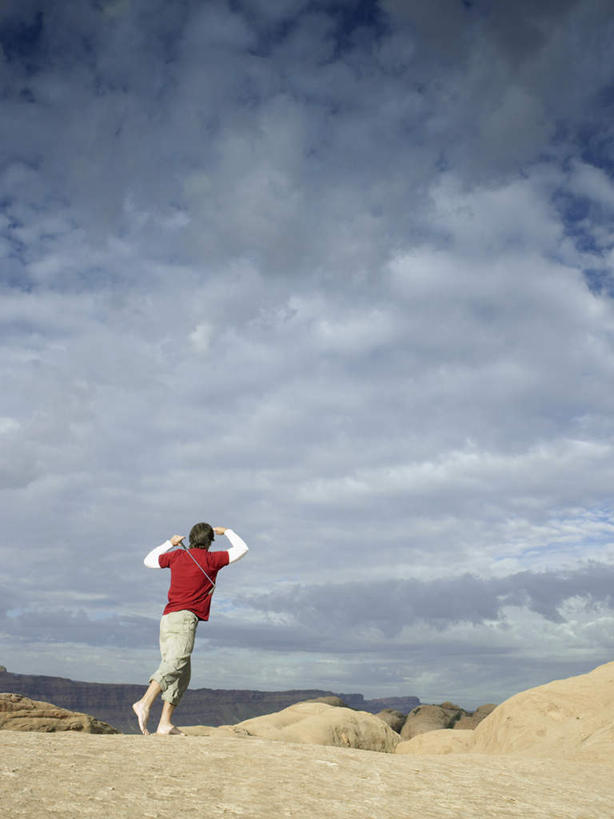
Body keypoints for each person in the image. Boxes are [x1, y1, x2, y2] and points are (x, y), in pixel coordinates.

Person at [132, 522, 248, 735]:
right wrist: (228, 531)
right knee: (176, 664)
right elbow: (242, 549)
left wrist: (169, 543)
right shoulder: (212, 559)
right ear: (210, 541)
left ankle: (164, 723)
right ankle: (145, 702)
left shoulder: (176, 555)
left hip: (167, 619)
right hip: (185, 619)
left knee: (182, 672)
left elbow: (148, 561)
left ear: (191, 538)